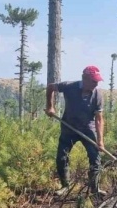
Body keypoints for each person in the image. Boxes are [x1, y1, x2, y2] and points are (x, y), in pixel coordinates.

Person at [45, 66, 105, 196]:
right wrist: (50, 106)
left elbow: (99, 119)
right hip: (68, 127)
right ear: (84, 78)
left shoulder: (97, 95)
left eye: (97, 81)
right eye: (94, 81)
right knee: (62, 157)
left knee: (95, 158)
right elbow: (50, 87)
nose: (96, 83)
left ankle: (95, 188)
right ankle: (65, 186)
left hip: (88, 129)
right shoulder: (69, 86)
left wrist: (100, 141)